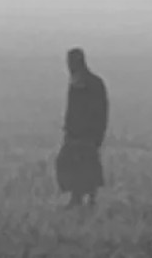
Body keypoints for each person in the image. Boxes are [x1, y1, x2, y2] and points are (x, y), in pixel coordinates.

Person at [55, 47, 109, 207]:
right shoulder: (77, 82)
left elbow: (100, 110)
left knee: (87, 165)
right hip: (75, 134)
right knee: (71, 164)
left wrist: (97, 134)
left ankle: (89, 199)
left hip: (88, 134)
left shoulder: (92, 83)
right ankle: (76, 197)